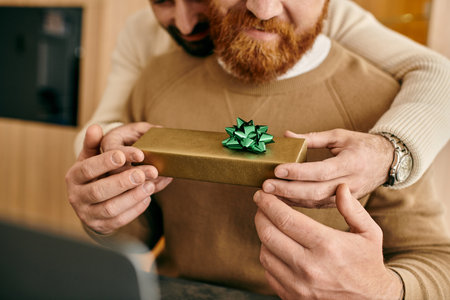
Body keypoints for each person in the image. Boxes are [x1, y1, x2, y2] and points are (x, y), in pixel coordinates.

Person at [66, 0, 450, 298]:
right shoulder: (156, 79)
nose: (262, 10)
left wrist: (385, 291)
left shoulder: (385, 104)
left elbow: (436, 261)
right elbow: (133, 235)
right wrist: (101, 215)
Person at [73, 0, 450, 199]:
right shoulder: (142, 35)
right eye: (163, 1)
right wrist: (108, 153)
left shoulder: (312, 14)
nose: (186, 25)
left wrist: (389, 152)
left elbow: (438, 74)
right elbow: (105, 122)